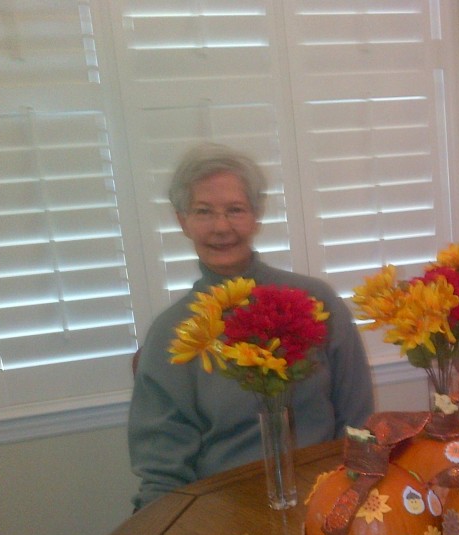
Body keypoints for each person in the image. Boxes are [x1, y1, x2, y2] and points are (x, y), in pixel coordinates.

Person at [129, 143, 374, 509]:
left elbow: (358, 421)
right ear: (183, 221)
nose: (221, 227)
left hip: (326, 494)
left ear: (256, 217)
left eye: (235, 210)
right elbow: (163, 469)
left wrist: (348, 498)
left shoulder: (315, 302)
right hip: (227, 506)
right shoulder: (174, 333)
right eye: (204, 211)